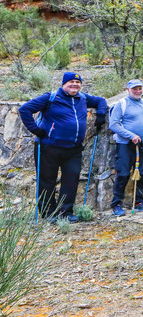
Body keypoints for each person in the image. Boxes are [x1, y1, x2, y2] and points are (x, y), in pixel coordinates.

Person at [19, 72, 108, 223]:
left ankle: (65, 212)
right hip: (48, 146)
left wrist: (101, 114)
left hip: (73, 149)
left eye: (77, 82)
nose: (75, 84)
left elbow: (101, 100)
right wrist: (36, 130)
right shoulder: (50, 98)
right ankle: (48, 213)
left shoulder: (83, 98)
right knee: (47, 181)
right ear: (63, 84)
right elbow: (24, 110)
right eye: (71, 82)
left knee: (71, 179)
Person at [109, 79, 143, 216]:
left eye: (140, 88)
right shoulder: (122, 104)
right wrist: (131, 135)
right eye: (134, 89)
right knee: (123, 173)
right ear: (128, 89)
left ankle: (139, 202)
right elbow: (114, 124)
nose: (138, 91)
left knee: (142, 173)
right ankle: (116, 204)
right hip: (126, 145)